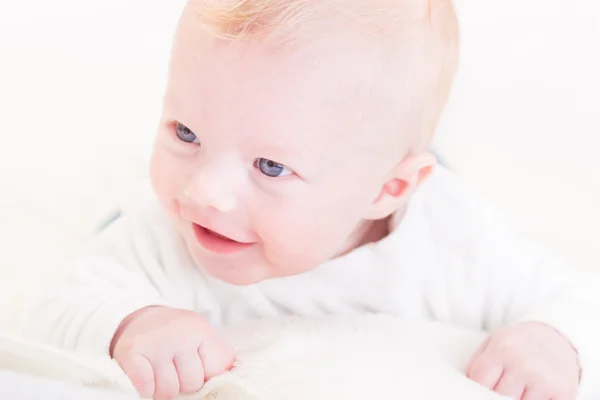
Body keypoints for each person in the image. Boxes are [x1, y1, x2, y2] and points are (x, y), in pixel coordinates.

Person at [24, 1, 597, 399]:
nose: (204, 192)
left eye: (270, 166)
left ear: (387, 190)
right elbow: (58, 309)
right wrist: (135, 324)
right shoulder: (161, 230)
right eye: (185, 132)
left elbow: (570, 299)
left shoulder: (453, 241)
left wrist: (551, 342)